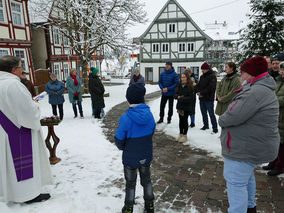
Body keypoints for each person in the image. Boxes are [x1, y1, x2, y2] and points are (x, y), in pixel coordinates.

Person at [219, 56, 280, 213]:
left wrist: (222, 119)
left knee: (236, 183)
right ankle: (250, 207)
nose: (241, 76)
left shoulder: (255, 92)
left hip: (245, 148)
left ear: (252, 74)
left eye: (243, 73)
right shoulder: (260, 88)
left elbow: (231, 116)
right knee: (246, 178)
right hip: (252, 145)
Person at [0, 55, 52, 203]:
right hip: (19, 130)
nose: (22, 70)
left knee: (10, 166)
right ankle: (28, 195)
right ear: (13, 70)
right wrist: (34, 105)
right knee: (23, 165)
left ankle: (13, 193)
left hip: (5, 129)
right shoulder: (13, 85)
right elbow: (28, 112)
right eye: (20, 67)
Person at [114, 83, 155, 213]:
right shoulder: (149, 115)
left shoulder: (125, 118)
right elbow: (152, 130)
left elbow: (119, 139)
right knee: (147, 181)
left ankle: (128, 207)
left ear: (129, 100)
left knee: (130, 184)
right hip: (145, 155)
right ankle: (149, 206)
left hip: (130, 158)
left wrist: (124, 147)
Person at [263, 61, 284, 176]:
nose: (282, 72)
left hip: (282, 116)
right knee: (276, 141)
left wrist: (273, 101)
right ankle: (273, 162)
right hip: (277, 115)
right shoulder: (279, 81)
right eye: (282, 70)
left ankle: (280, 166)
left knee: (282, 144)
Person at [197, 62, 218, 133]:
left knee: (211, 114)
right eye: (202, 69)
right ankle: (205, 125)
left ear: (207, 69)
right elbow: (199, 85)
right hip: (202, 98)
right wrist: (198, 92)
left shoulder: (212, 76)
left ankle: (215, 128)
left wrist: (202, 93)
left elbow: (211, 88)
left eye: (203, 69)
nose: (202, 71)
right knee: (203, 113)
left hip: (209, 99)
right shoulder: (202, 76)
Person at [174, 72, 195, 143]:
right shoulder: (179, 85)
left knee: (184, 120)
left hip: (186, 106)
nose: (182, 78)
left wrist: (182, 98)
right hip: (180, 106)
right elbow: (175, 94)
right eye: (181, 77)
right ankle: (180, 133)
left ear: (187, 78)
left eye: (184, 77)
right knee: (180, 120)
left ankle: (185, 135)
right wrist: (177, 96)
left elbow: (191, 98)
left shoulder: (190, 86)